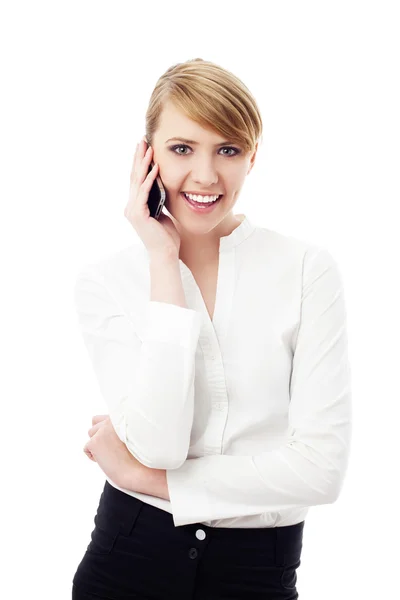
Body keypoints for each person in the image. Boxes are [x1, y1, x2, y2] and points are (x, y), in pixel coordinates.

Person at [71, 58, 352, 599]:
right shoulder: (106, 281)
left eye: (228, 150)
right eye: (181, 149)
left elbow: (321, 472)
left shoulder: (306, 270)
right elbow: (160, 445)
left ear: (252, 157)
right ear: (147, 153)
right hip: (129, 553)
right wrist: (163, 263)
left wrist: (142, 480)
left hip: (257, 566)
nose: (205, 176)